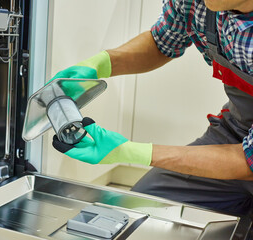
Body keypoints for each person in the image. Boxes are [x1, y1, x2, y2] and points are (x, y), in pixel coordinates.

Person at [50, 0, 253, 217]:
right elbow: (162, 41)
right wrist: (100, 64)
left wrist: (132, 151)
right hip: (236, 132)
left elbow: (247, 161)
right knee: (142, 210)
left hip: (244, 156)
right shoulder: (201, 3)